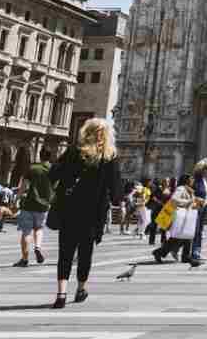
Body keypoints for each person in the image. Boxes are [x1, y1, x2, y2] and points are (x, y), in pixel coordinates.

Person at [49, 118, 121, 308]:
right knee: (85, 253)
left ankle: (61, 293)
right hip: (93, 213)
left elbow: (54, 174)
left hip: (70, 209)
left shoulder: (74, 151)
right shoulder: (109, 156)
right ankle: (81, 288)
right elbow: (115, 191)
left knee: (65, 253)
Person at [13, 148, 53, 267]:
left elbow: (23, 186)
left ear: (40, 156)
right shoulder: (52, 169)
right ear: (50, 157)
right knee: (39, 228)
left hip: (29, 204)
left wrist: (16, 199)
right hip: (44, 205)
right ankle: (37, 247)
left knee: (26, 232)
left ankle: (24, 259)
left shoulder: (32, 168)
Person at [152, 175, 197, 265]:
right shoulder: (181, 188)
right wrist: (188, 202)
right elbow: (174, 199)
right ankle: (160, 252)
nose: (193, 181)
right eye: (191, 179)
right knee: (179, 237)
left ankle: (185, 256)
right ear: (186, 180)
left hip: (186, 215)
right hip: (180, 215)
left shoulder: (188, 189)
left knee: (186, 236)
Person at [190, 159, 207, 265]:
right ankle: (195, 253)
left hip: (202, 209)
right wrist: (199, 200)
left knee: (199, 231)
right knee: (195, 232)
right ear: (202, 170)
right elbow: (191, 194)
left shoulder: (206, 181)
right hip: (195, 209)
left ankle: (196, 252)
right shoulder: (196, 180)